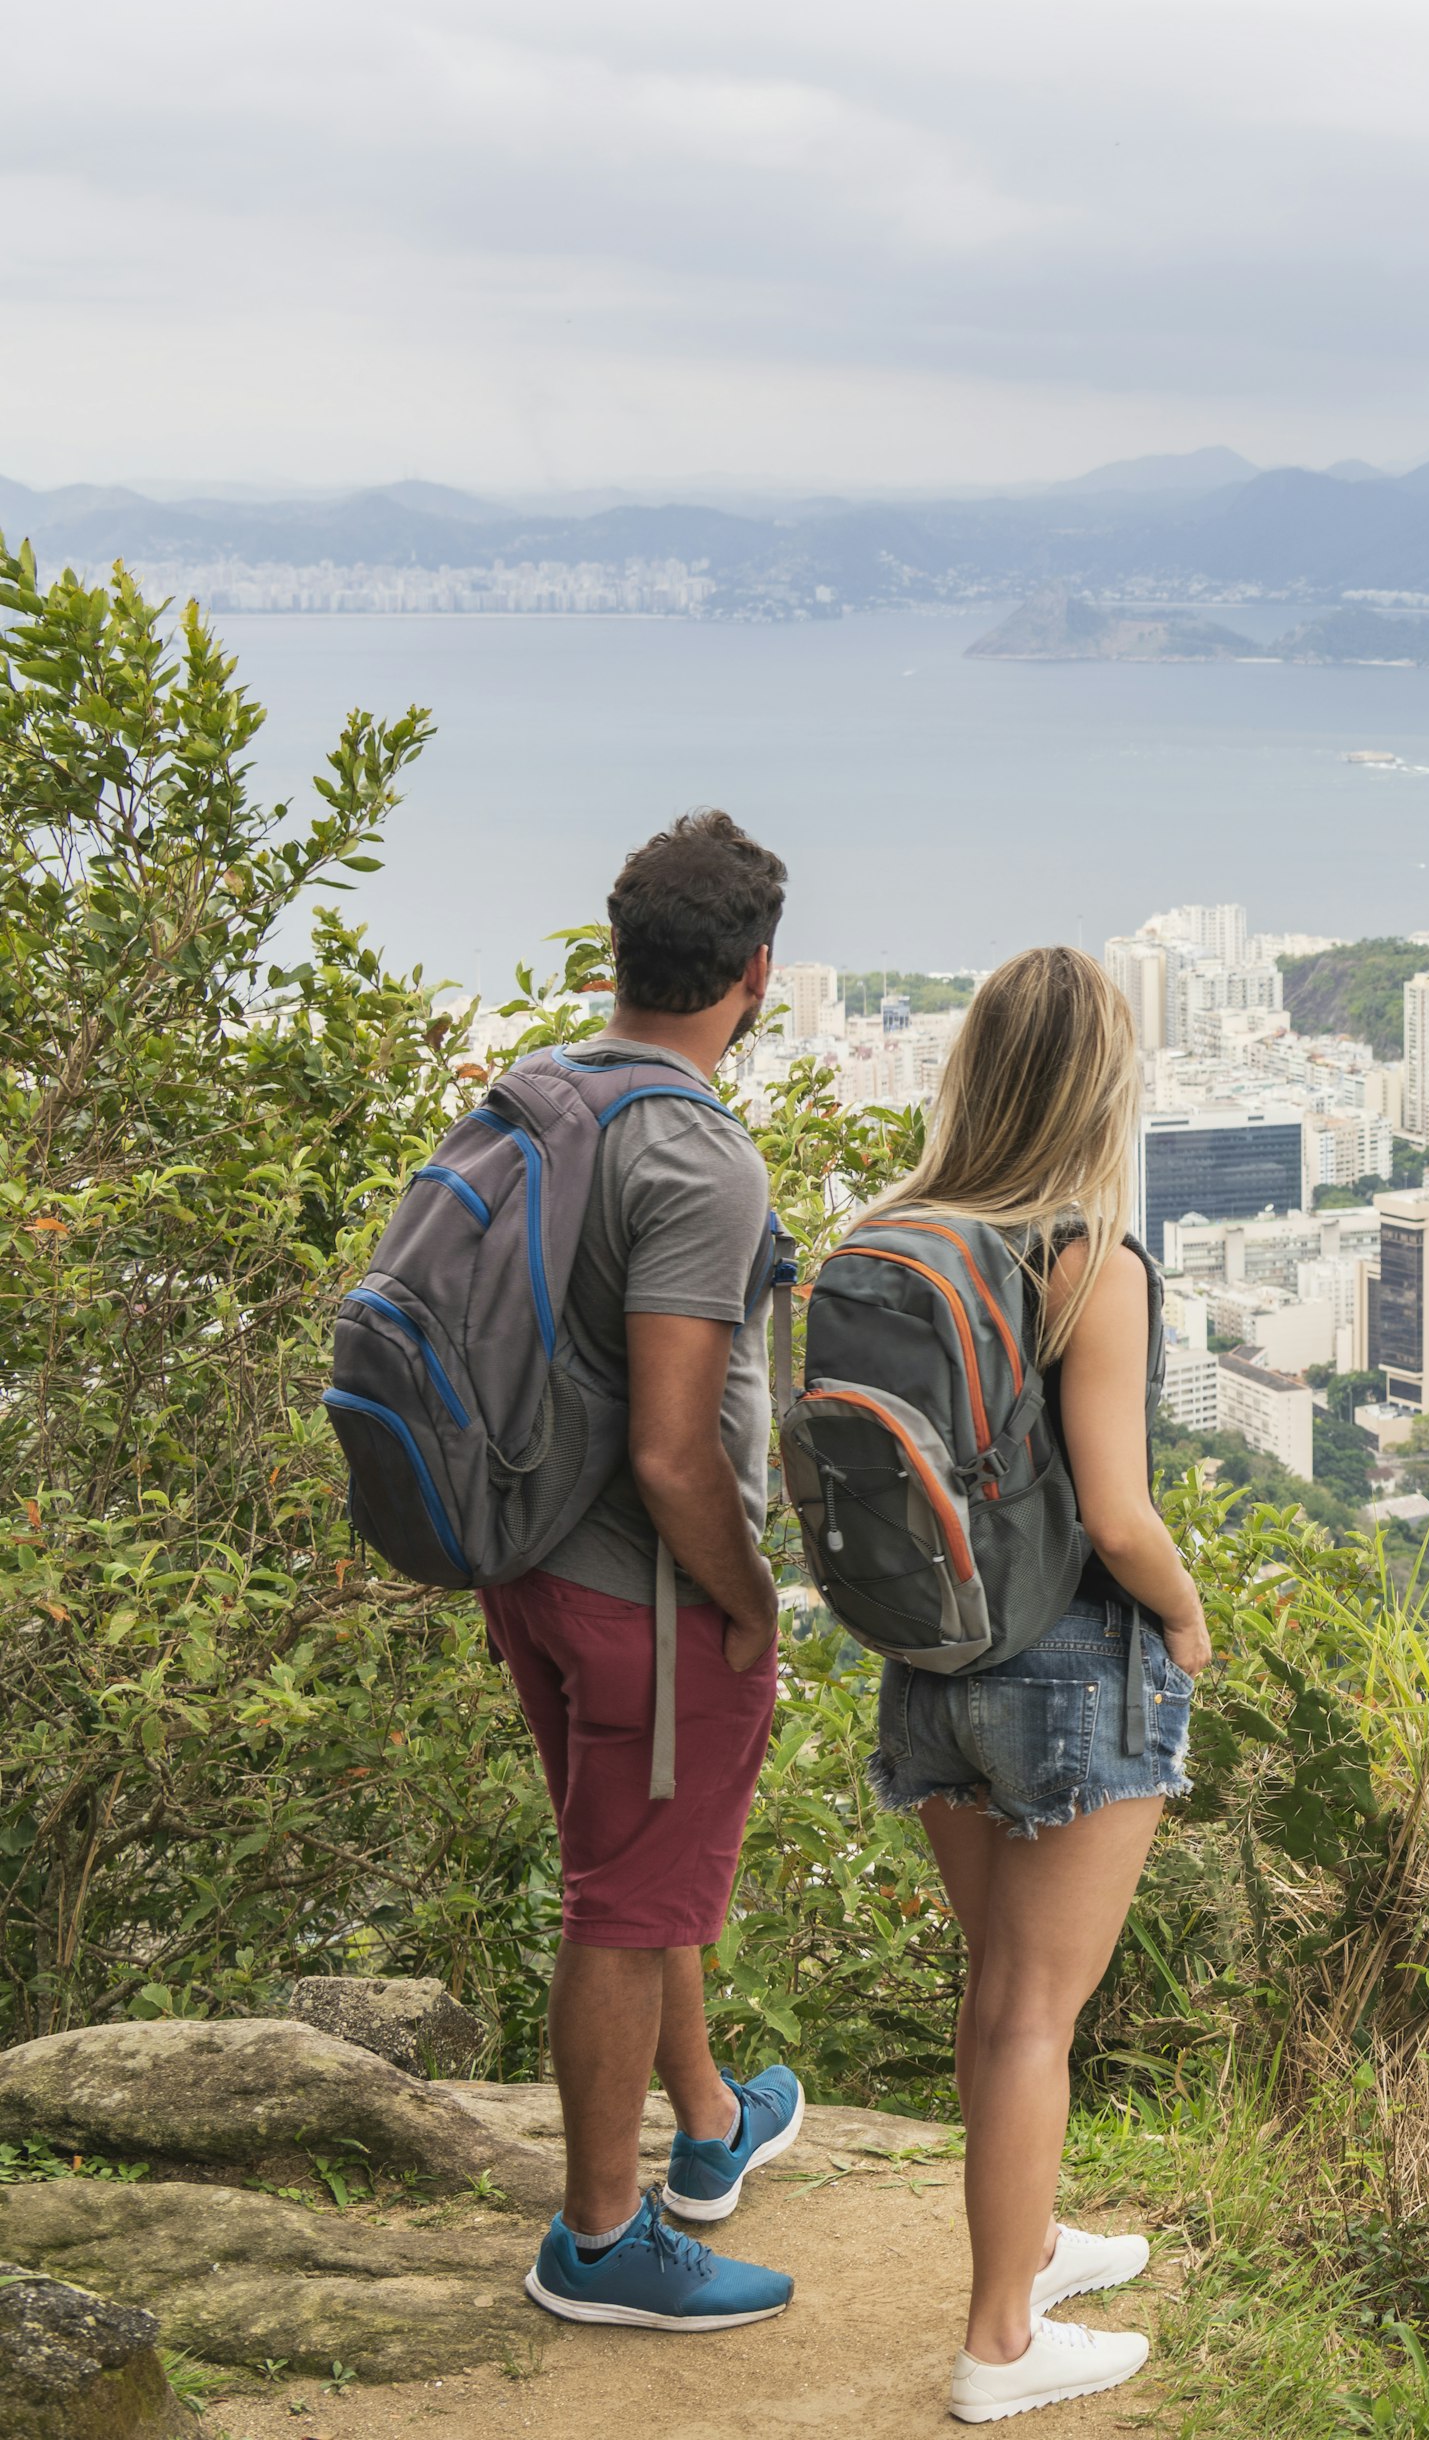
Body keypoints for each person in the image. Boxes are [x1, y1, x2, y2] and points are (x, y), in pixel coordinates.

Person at [854, 946, 1213, 2423]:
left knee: (998, 1995)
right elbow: (1117, 1515)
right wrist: (1187, 1623)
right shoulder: (1089, 1256)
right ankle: (1001, 2343)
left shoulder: (890, 1235)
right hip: (1068, 1668)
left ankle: (1034, 2247)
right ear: (1099, 1090)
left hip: (929, 1660)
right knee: (1032, 2016)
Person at [503, 812, 812, 2331]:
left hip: (531, 1557)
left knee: (646, 1861)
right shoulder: (695, 1152)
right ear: (756, 974)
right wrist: (748, 1598)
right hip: (645, 1588)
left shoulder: (545, 1095)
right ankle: (601, 2239)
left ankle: (707, 2125)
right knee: (625, 1903)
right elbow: (678, 1455)